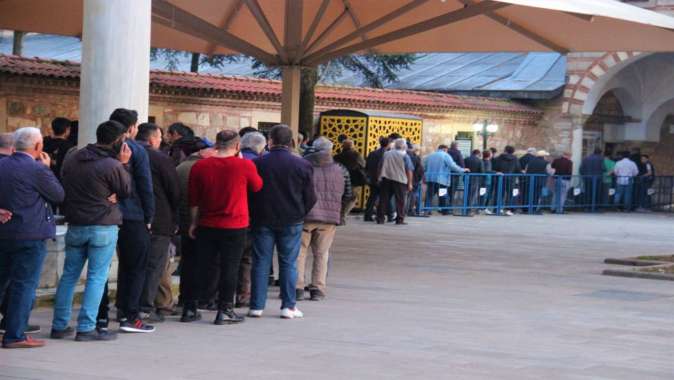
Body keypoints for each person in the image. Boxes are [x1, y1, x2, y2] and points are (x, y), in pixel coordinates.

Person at [51, 120, 132, 342]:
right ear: (117, 140)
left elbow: (63, 183)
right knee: (96, 278)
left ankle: (59, 325)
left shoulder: (73, 157)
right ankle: (86, 328)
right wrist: (124, 165)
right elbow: (125, 190)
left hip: (76, 224)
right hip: (102, 225)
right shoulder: (112, 165)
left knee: (68, 277)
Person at [188, 129, 263, 325]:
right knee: (230, 267)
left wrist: (193, 223)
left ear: (216, 144)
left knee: (202, 265)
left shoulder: (200, 166)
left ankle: (190, 307)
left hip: (207, 222)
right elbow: (257, 187)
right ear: (238, 146)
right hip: (235, 224)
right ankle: (225, 309)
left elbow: (194, 199)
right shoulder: (245, 165)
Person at [0, 127, 64, 348]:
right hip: (30, 234)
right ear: (38, 147)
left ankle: (8, 329)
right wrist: (47, 169)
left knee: (3, 282)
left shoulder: (2, 164)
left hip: (4, 232)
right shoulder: (37, 169)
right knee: (24, 285)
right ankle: (15, 334)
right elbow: (58, 194)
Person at [249, 124, 316, 319]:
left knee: (261, 262)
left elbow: (251, 192)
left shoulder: (258, 163)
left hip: (263, 218)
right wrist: (300, 212)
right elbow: (311, 196)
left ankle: (257, 306)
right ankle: (288, 306)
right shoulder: (302, 164)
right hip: (292, 219)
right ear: (291, 142)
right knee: (289, 262)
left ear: (270, 141)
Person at [98, 108, 156, 334]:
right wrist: (149, 216)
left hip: (101, 214)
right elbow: (144, 185)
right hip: (132, 215)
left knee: (100, 267)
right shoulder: (136, 150)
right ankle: (129, 314)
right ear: (131, 128)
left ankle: (101, 314)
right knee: (135, 266)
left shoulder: (93, 150)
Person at [136, 123, 181, 322]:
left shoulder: (124, 155)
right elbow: (174, 191)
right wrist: (176, 217)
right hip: (159, 219)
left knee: (132, 264)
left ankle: (127, 305)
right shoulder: (161, 159)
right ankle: (145, 307)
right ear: (153, 139)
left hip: (130, 219)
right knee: (155, 265)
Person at [297, 137, 351, 301]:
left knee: (299, 252)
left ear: (313, 148)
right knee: (322, 253)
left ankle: (297, 288)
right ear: (330, 150)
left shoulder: (303, 166)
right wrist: (340, 213)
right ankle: (318, 289)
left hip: (305, 216)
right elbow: (348, 195)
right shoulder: (341, 169)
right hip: (329, 218)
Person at [176, 140, 215, 322]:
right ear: (202, 151)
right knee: (203, 263)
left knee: (188, 262)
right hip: (201, 222)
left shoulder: (180, 167)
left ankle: (185, 300)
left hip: (183, 221)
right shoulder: (204, 168)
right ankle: (201, 299)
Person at [235, 130, 267, 308]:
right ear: (261, 148)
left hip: (228, 215)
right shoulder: (259, 164)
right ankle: (243, 295)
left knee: (226, 257)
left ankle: (218, 296)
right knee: (247, 258)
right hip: (251, 217)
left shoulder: (230, 160)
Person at [377, 138, 414, 225]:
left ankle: (380, 218)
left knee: (383, 199)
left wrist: (379, 177)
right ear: (404, 146)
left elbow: (380, 166)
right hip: (400, 180)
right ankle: (400, 219)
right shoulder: (405, 155)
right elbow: (409, 170)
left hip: (386, 178)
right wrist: (410, 183)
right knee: (400, 201)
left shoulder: (386, 154)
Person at [423, 145, 467, 215]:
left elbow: (424, 166)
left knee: (429, 195)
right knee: (443, 195)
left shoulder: (430, 155)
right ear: (444, 149)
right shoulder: (445, 155)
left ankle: (426, 210)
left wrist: (426, 174)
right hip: (441, 179)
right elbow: (452, 165)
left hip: (430, 178)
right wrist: (462, 170)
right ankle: (444, 210)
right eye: (447, 150)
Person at [333, 139, 365, 225]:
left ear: (342, 146)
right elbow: (363, 165)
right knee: (352, 199)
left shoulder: (337, 156)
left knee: (340, 198)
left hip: (339, 180)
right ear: (352, 146)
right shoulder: (357, 155)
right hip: (353, 180)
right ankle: (342, 216)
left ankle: (337, 216)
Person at [363, 137, 390, 222]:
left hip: (372, 178)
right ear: (388, 144)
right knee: (383, 198)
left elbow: (366, 166)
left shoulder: (372, 153)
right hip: (383, 178)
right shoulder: (387, 154)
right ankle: (380, 216)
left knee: (372, 197)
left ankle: (367, 215)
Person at [492, 145, 522, 216]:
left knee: (499, 193)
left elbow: (495, 167)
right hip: (511, 178)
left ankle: (497, 209)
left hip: (500, 178)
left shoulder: (499, 158)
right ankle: (509, 209)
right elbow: (518, 168)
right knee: (510, 194)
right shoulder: (515, 159)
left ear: (505, 150)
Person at [406, 144, 424, 217]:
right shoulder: (415, 157)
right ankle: (411, 210)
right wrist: (419, 178)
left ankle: (406, 210)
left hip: (408, 178)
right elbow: (420, 169)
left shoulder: (408, 156)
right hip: (414, 178)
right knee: (413, 194)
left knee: (407, 195)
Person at [464, 149, 484, 214]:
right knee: (472, 194)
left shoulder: (466, 159)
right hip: (475, 179)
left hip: (466, 178)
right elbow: (482, 171)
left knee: (467, 193)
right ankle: (469, 209)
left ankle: (465, 207)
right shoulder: (479, 160)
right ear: (478, 154)